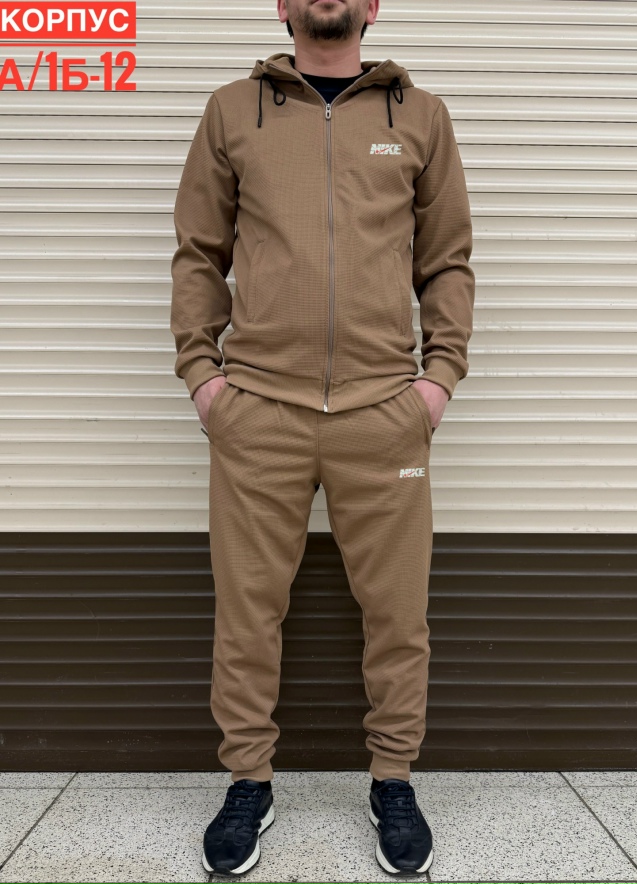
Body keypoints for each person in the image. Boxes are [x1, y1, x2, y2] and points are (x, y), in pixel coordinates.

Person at [170, 0, 474, 876]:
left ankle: (393, 780)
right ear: (283, 6)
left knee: (397, 613)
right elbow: (198, 252)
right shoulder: (234, 110)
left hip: (384, 413)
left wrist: (436, 381)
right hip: (258, 410)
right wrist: (205, 379)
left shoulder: (421, 116)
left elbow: (447, 260)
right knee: (247, 612)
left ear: (372, 7)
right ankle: (249, 782)